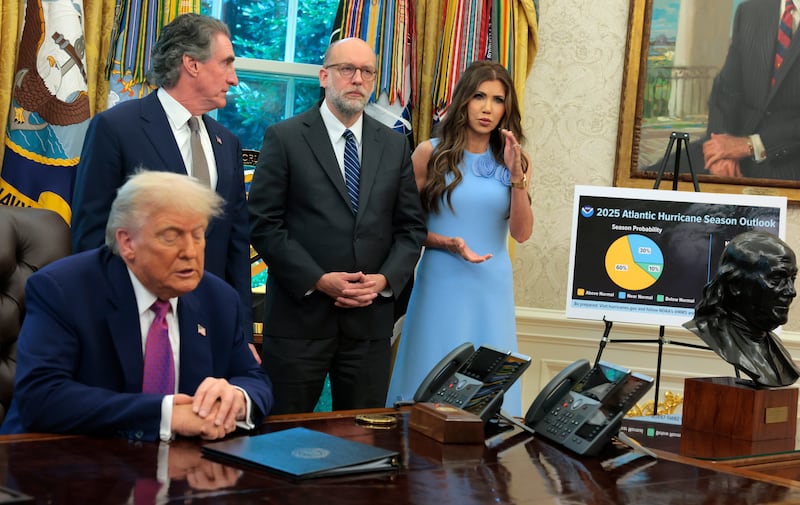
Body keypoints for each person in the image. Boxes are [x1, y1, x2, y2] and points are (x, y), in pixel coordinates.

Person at [0, 171, 273, 441]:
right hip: (59, 465)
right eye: (171, 236)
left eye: (198, 235)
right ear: (127, 242)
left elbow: (253, 378)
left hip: (180, 469)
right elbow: (41, 397)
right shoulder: (63, 290)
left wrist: (236, 398)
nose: (190, 251)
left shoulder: (219, 298)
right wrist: (166, 415)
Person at [247, 37, 427, 414]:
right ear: (324, 76)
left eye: (367, 72)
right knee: (283, 442)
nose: (357, 79)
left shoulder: (395, 147)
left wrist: (384, 281)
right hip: (300, 322)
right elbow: (264, 224)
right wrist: (317, 279)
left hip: (369, 324)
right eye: (347, 69)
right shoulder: (285, 137)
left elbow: (411, 229)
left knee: (363, 445)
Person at [70, 13, 259, 362]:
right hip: (134, 322)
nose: (234, 79)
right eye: (226, 64)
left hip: (209, 332)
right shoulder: (117, 128)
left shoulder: (227, 142)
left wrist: (242, 335)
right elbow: (91, 235)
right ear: (192, 64)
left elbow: (235, 245)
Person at [386, 60, 534, 415]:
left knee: (487, 389)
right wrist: (449, 244)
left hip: (492, 286)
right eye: (479, 96)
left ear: (506, 108)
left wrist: (517, 176)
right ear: (463, 99)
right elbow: (406, 227)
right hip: (441, 281)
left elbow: (522, 232)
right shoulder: (429, 153)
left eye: (498, 100)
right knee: (429, 375)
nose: (487, 108)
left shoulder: (515, 161)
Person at [681, 0, 800, 180]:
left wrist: (752, 145)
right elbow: (726, 90)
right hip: (729, 145)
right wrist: (721, 149)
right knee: (647, 187)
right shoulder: (749, 11)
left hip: (788, 157)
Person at [683, 230, 800, 387]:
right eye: (777, 278)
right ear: (735, 284)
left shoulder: (776, 350)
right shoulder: (711, 333)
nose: (791, 291)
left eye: (792, 279)